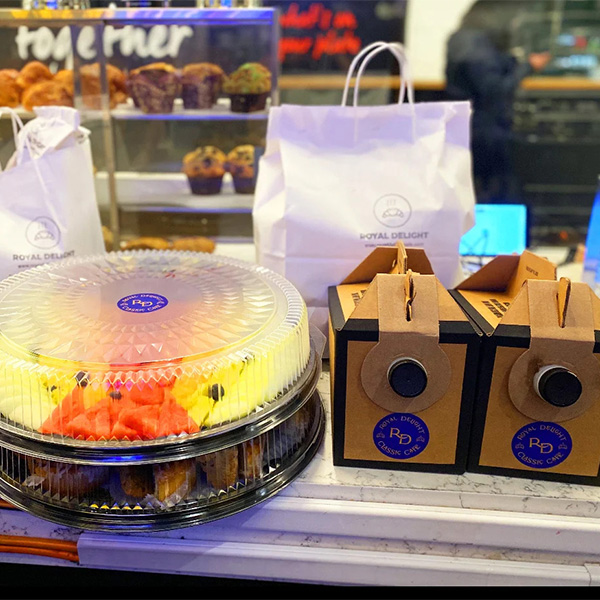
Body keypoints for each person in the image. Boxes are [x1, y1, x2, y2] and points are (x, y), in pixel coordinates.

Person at [445, 0, 551, 203]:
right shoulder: (475, 44)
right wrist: (527, 66)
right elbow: (494, 89)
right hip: (485, 130)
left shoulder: (463, 39)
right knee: (498, 192)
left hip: (468, 127)